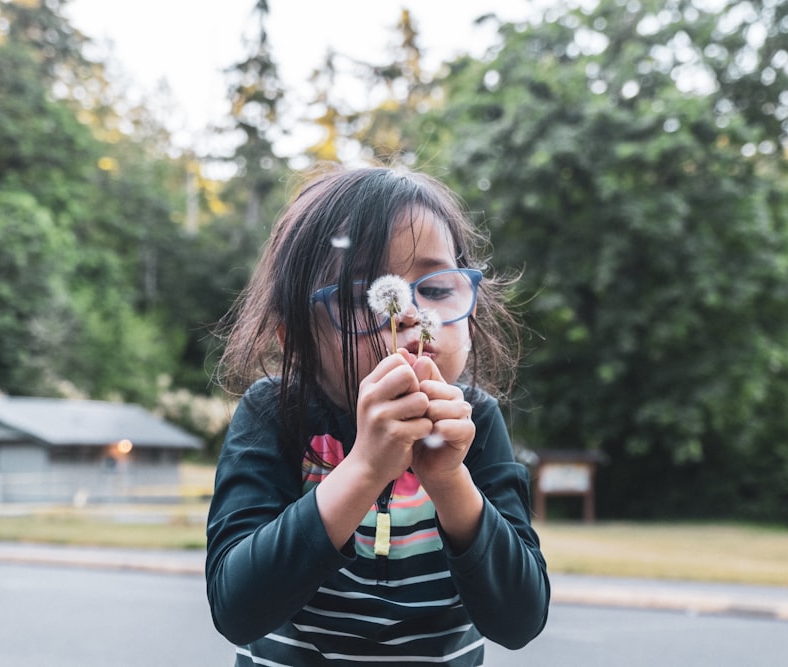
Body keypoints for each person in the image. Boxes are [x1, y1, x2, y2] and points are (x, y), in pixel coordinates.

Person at [206, 164, 550, 666]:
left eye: (435, 288)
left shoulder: (475, 424)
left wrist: (450, 480)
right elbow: (237, 609)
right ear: (295, 341)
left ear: (472, 314)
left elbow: (519, 621)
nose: (408, 311)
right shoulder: (275, 413)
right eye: (357, 294)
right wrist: (365, 468)